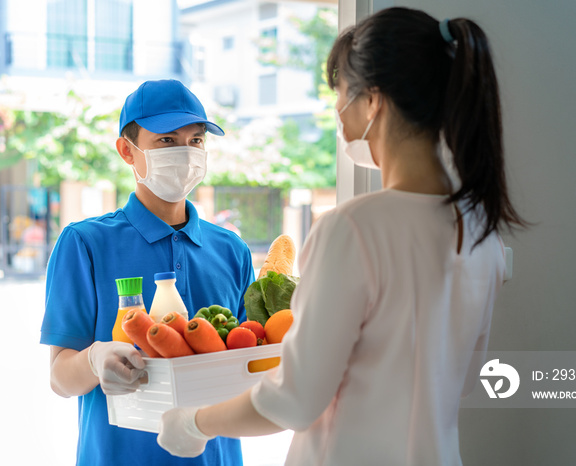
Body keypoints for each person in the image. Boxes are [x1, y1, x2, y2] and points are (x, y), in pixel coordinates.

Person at [157, 7, 527, 465]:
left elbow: (292, 400)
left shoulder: (351, 229)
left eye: (342, 93)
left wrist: (193, 422)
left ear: (373, 101)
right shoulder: (480, 232)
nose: (337, 109)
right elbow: (463, 379)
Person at [40, 79, 255, 466]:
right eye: (167, 141)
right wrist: (93, 359)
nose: (186, 153)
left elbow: (250, 364)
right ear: (127, 150)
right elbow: (60, 377)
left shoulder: (231, 250)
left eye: (196, 140)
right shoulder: (85, 243)